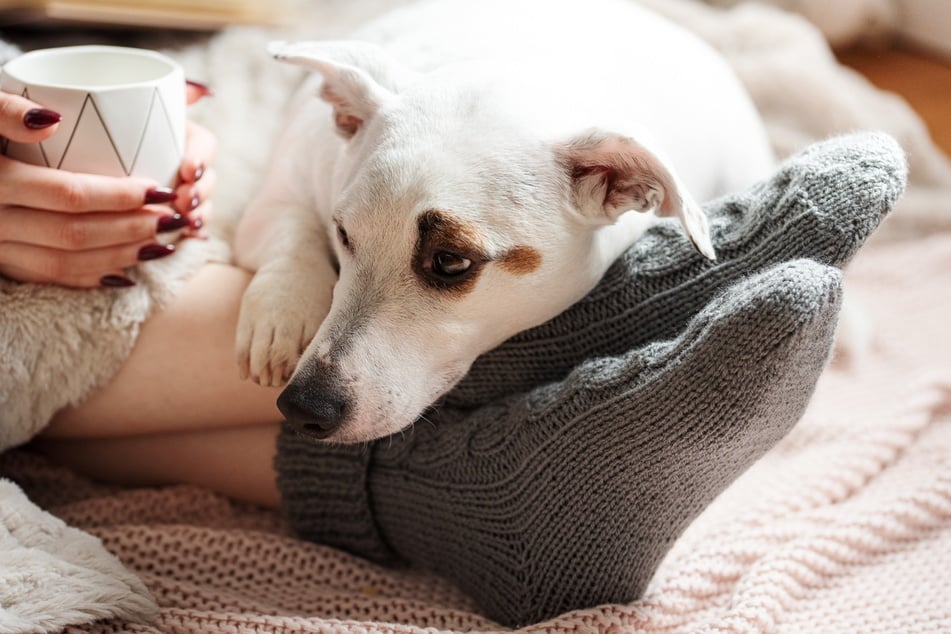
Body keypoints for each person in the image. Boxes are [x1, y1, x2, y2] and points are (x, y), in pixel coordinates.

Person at [1, 79, 907, 626]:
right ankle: (574, 349)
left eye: (447, 265)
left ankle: (467, 473)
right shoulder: (361, 147)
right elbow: (309, 205)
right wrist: (296, 253)